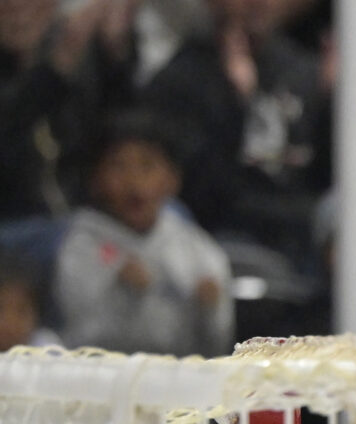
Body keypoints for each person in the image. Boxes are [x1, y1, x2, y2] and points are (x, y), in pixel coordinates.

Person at [0, 0, 139, 268]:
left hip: (76, 234)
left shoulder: (77, 59)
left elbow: (120, 147)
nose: (18, 6)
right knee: (83, 247)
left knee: (166, 223)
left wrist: (115, 55)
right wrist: (50, 77)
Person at [141, 0, 331, 270]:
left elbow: (327, 177)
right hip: (225, 237)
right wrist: (237, 105)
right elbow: (202, 194)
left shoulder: (305, 70)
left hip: (302, 231)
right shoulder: (180, 79)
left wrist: (334, 103)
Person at [54, 113, 236, 357]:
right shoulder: (82, 247)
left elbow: (217, 349)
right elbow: (78, 339)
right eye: (118, 166)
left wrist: (208, 310)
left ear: (172, 179)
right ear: (95, 179)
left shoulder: (197, 251)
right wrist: (122, 296)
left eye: (147, 165)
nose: (134, 182)